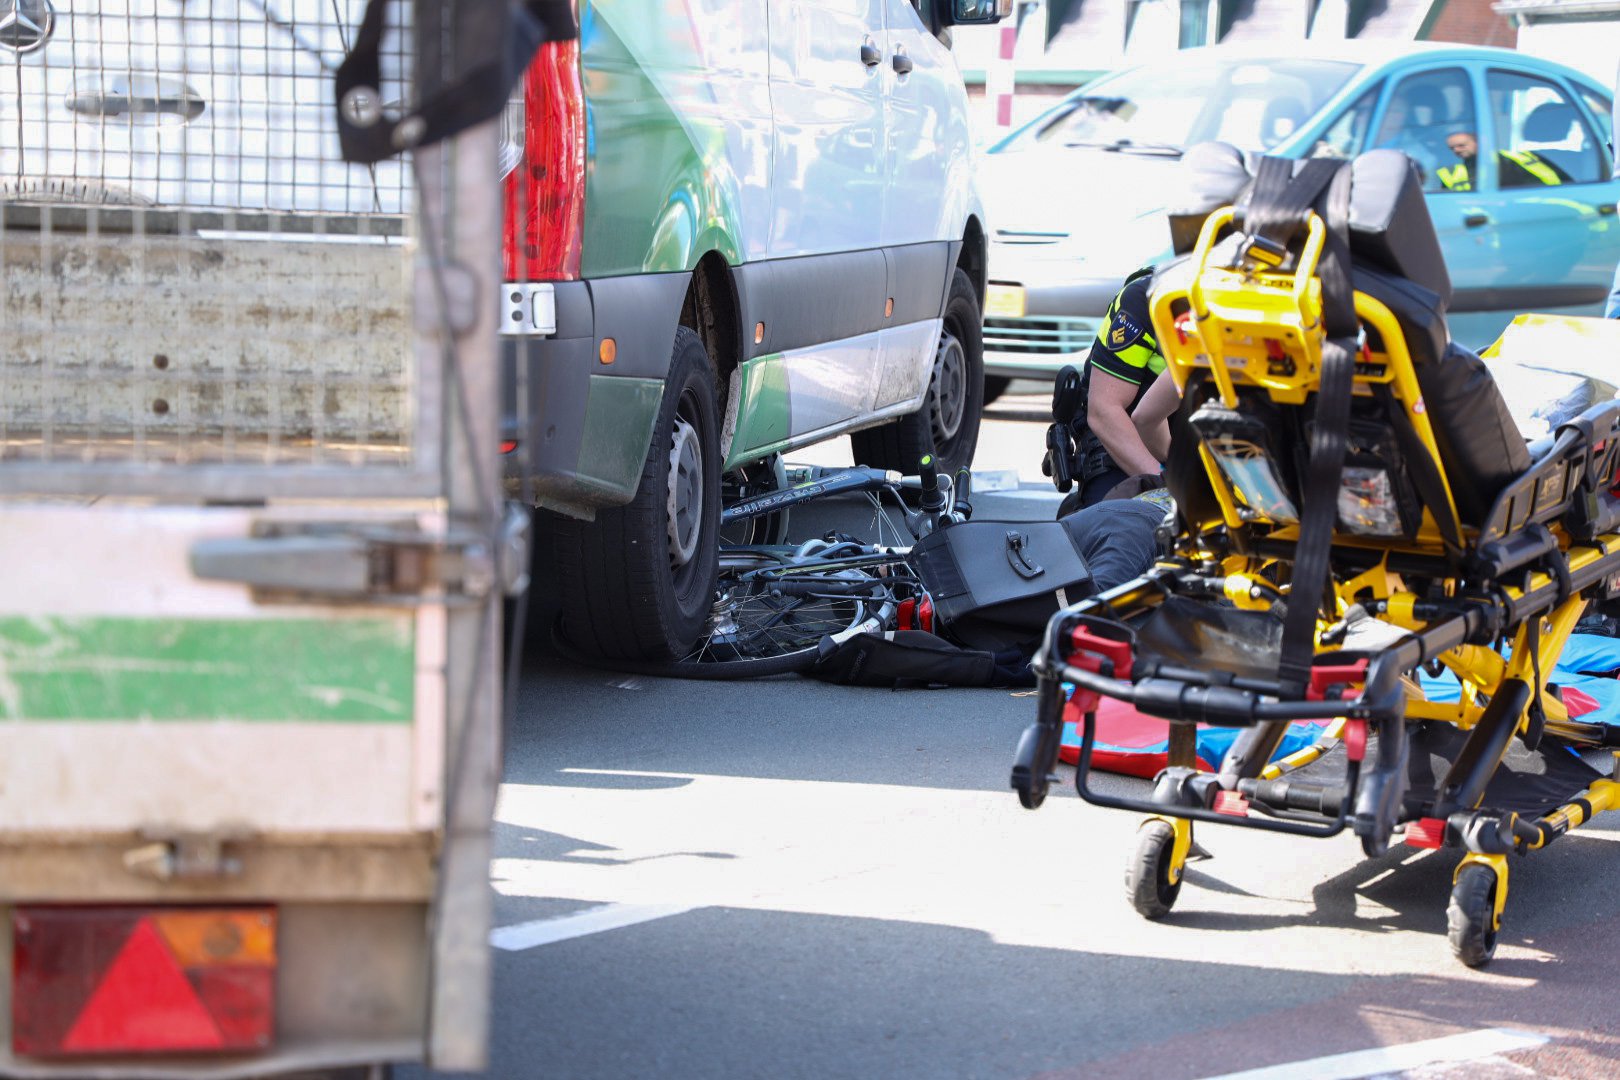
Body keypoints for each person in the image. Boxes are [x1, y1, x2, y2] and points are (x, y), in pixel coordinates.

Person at [1064, 268, 1168, 510]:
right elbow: (1104, 411)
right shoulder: (1146, 300)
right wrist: (1166, 487)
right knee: (1116, 527)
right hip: (1120, 441)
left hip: (1187, 441)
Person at [1437, 129, 1568, 192]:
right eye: (1452, 148)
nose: (1457, 150)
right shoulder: (1451, 173)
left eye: (1462, 145)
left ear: (1480, 142)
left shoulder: (1512, 161)